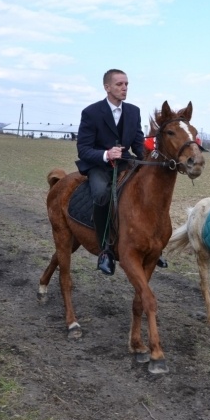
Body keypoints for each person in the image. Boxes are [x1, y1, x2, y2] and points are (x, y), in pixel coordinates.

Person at [75, 69, 145, 275]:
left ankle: (146, 242)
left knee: (145, 192)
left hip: (125, 163)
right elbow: (83, 148)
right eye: (119, 84)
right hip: (99, 166)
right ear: (107, 87)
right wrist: (106, 154)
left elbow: (138, 143)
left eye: (127, 84)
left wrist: (147, 158)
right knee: (101, 195)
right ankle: (105, 249)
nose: (124, 88)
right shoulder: (91, 112)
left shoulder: (134, 111)